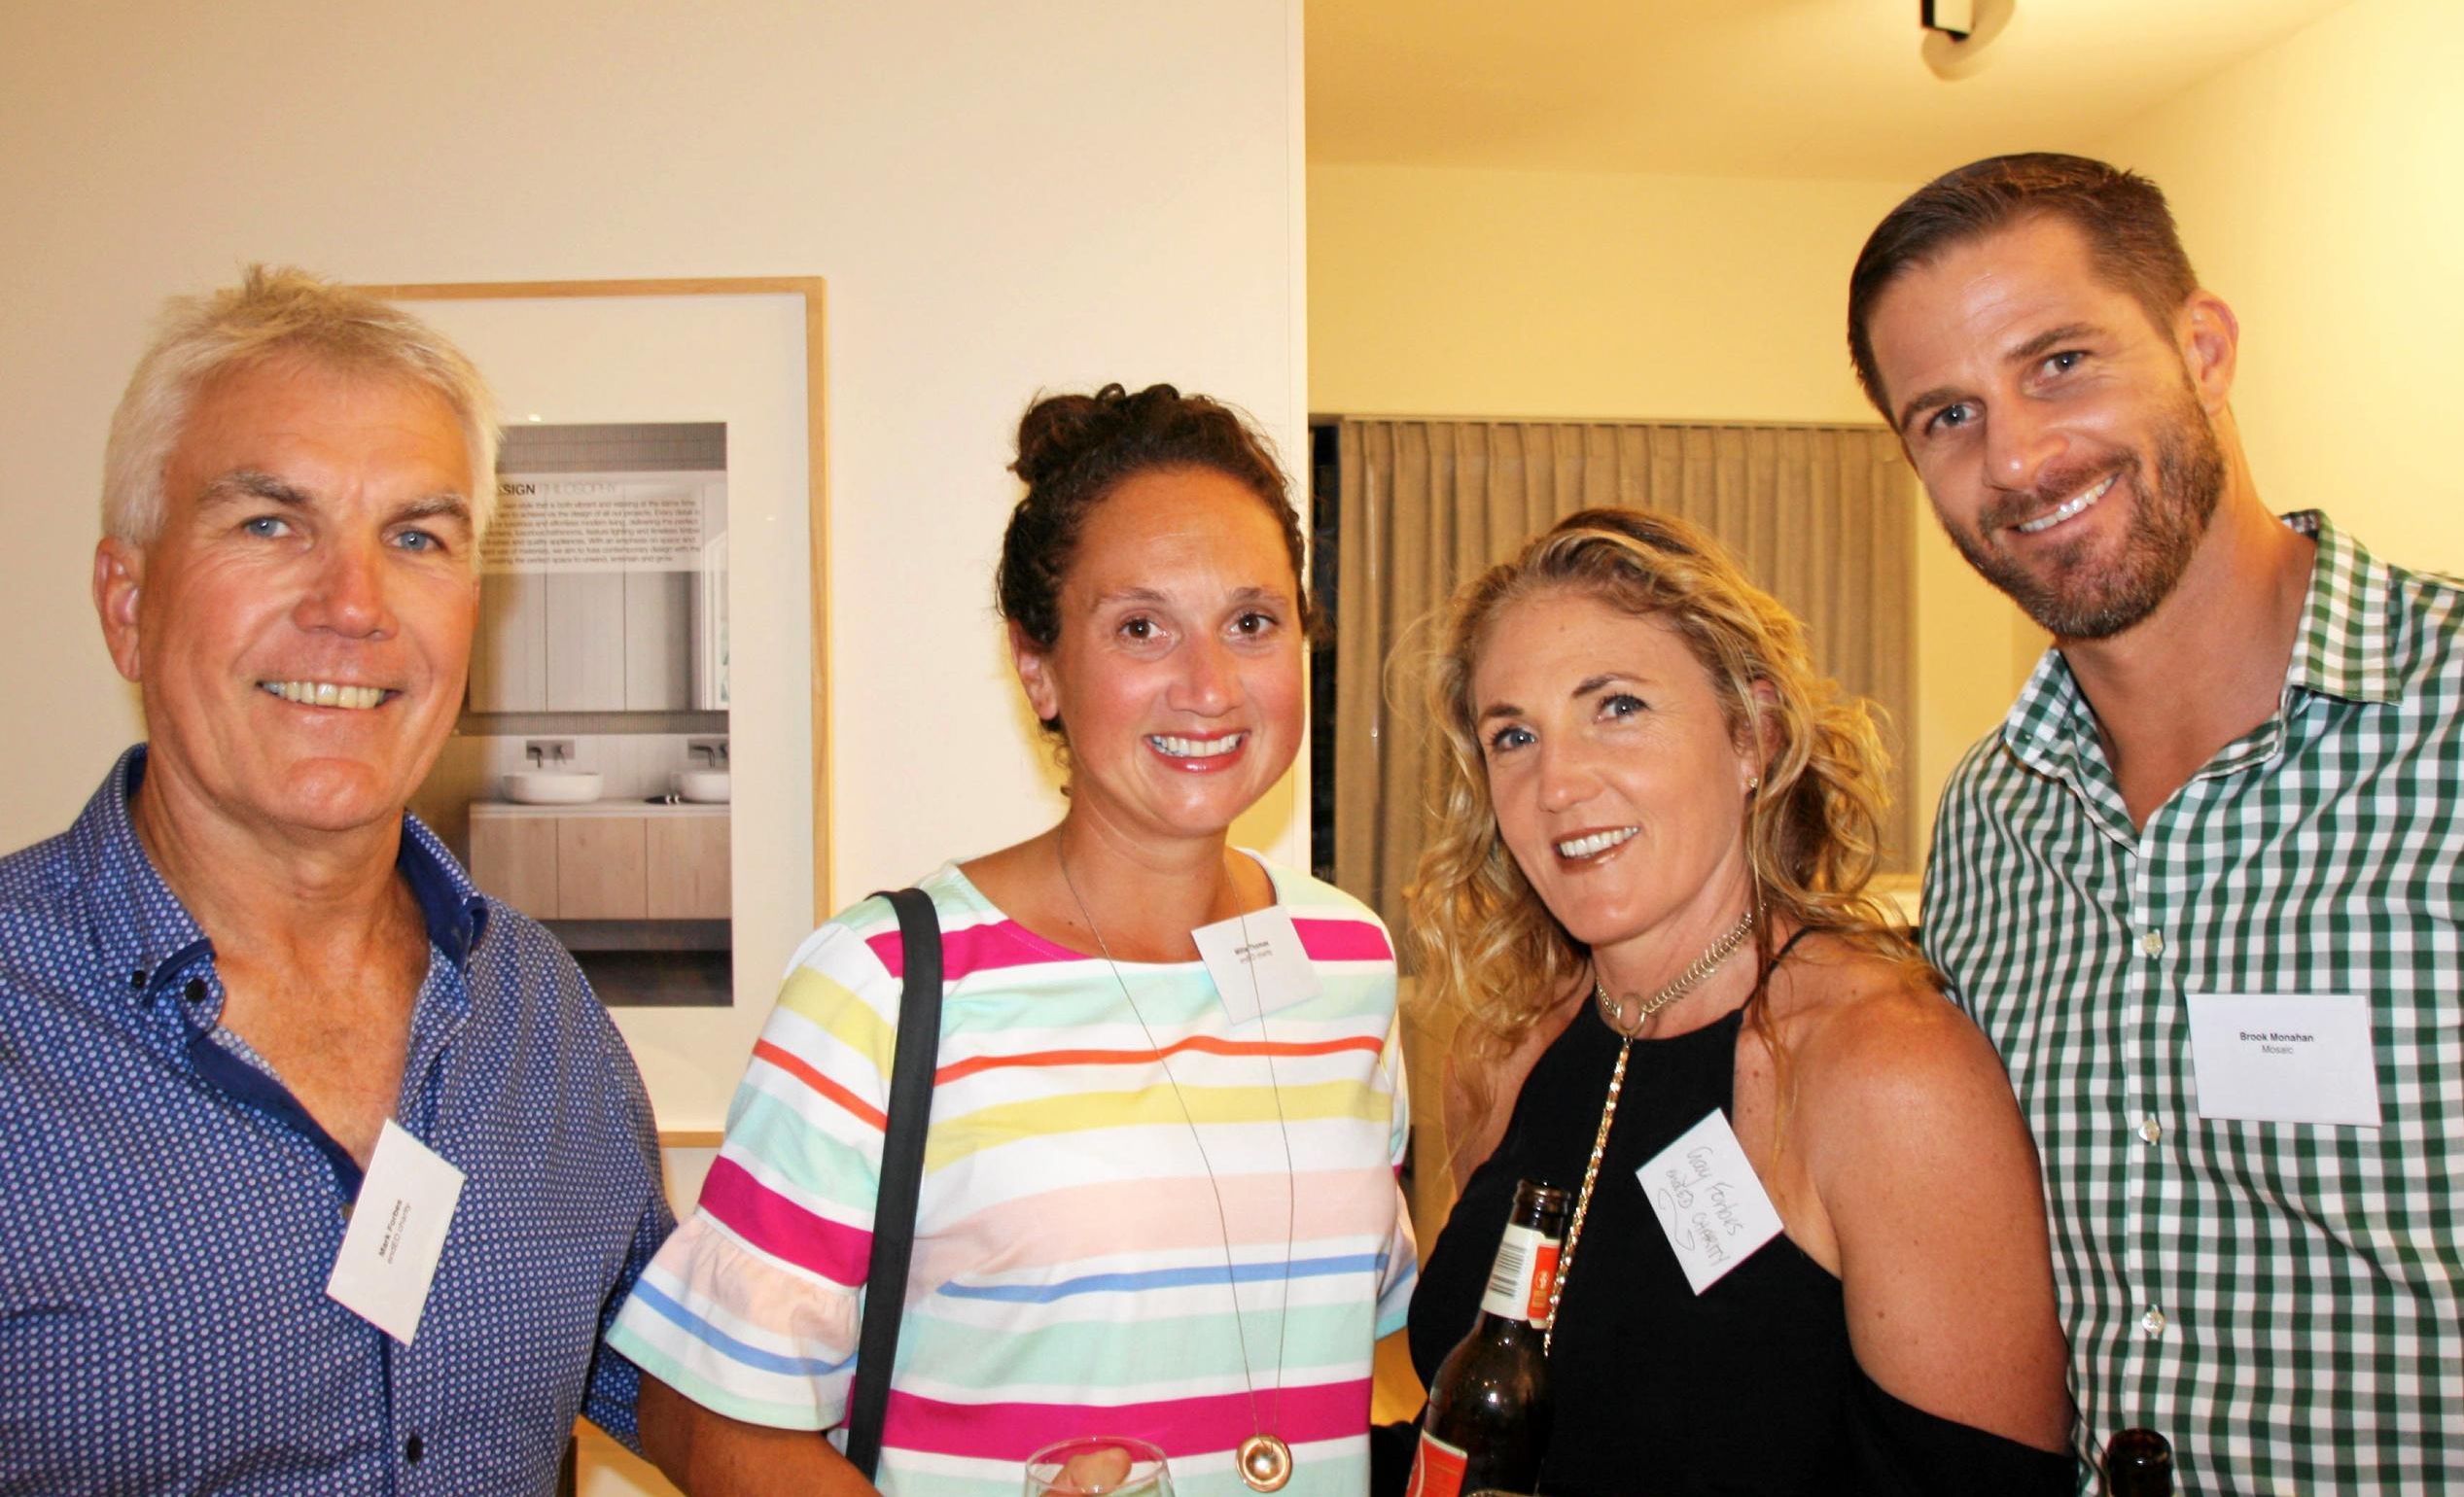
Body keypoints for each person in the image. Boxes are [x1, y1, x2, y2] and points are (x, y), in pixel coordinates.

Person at [611, 382, 1416, 1495]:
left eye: (1250, 622)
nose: (1209, 685)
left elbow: (1355, 1339)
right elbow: (699, 1417)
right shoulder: (885, 984)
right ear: (1037, 665)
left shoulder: (1349, 959)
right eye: (1141, 626)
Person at [1849, 151, 2464, 1493]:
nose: (2014, 455)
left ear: (2202, 346)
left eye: (2058, 361)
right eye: (1944, 417)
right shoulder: (1989, 826)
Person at [0, 267, 673, 1491]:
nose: (353, 605)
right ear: (128, 603)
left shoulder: (544, 1011)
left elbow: (655, 1376)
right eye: (269, 523)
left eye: (414, 537)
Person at [1401, 508, 2073, 1495]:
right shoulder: (1504, 1052)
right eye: (1513, 735)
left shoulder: (1883, 1072)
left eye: (1617, 706)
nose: (1557, 782)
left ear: (1751, 733)